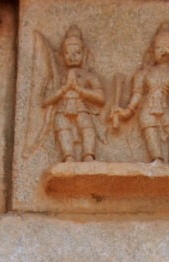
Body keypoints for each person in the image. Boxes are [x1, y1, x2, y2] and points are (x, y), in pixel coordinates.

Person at [108, 23, 169, 164]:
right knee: (151, 133)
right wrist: (125, 112)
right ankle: (157, 159)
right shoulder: (143, 74)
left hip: (165, 109)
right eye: (159, 48)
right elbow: (136, 98)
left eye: (168, 48)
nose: (163, 51)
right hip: (147, 110)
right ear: (152, 50)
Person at [42, 26, 106, 163]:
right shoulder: (57, 78)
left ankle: (88, 155)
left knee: (87, 128)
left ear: (84, 54)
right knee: (62, 128)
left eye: (77, 53)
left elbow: (101, 98)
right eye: (68, 53)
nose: (72, 57)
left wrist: (80, 90)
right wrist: (64, 89)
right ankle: (68, 156)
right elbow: (46, 100)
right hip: (62, 109)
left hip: (82, 108)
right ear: (62, 55)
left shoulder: (89, 76)